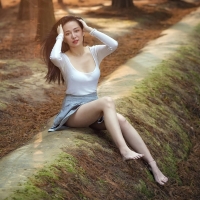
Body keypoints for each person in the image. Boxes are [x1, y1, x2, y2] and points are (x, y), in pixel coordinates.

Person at [42, 16, 168, 185]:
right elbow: (53, 57)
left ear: (82, 31)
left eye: (76, 30)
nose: (73, 36)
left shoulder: (94, 52)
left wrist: (90, 28)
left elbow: (113, 45)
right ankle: (124, 150)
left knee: (121, 120)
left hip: (94, 109)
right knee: (107, 101)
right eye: (67, 33)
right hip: (74, 111)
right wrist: (58, 35)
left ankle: (154, 166)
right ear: (63, 37)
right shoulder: (63, 58)